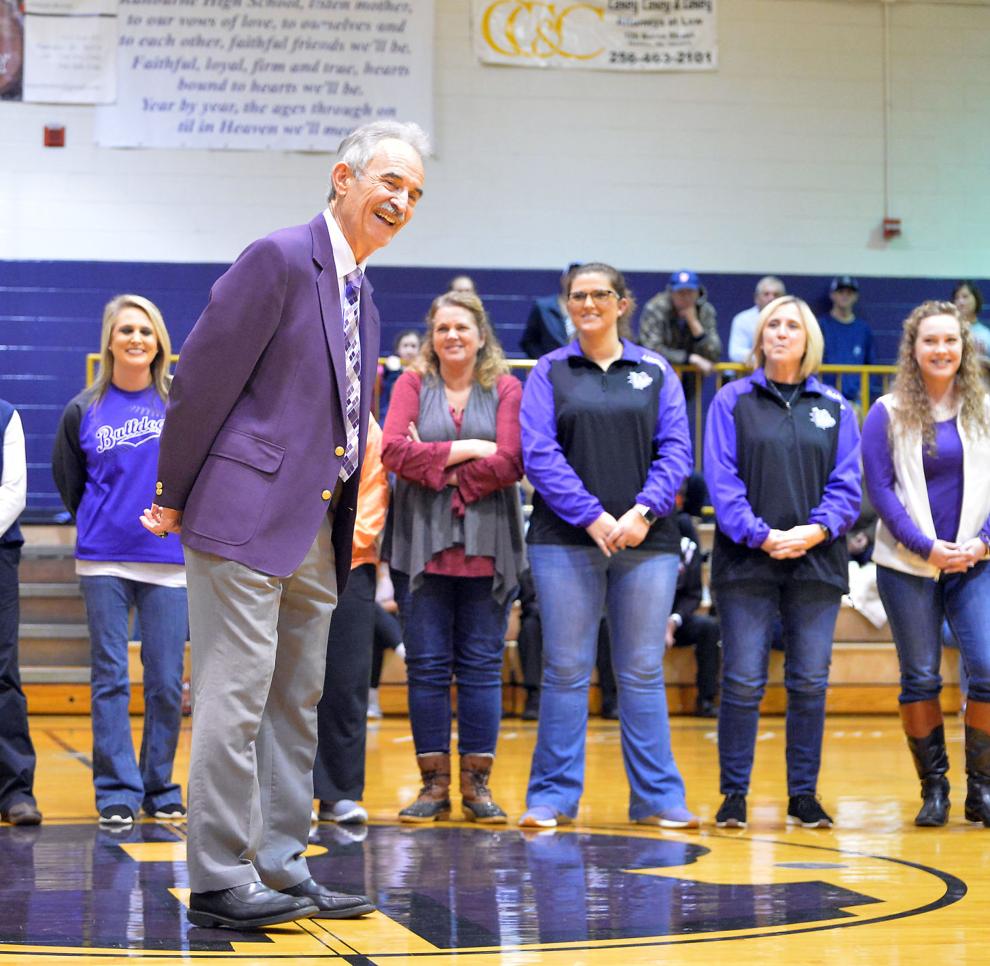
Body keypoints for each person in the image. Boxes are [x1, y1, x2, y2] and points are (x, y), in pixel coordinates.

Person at [140, 120, 429, 930]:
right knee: (234, 699)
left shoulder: (363, 293)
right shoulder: (276, 258)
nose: (402, 201)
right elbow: (199, 376)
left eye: (414, 193)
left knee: (296, 700)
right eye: (390, 183)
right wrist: (173, 488)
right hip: (241, 513)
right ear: (343, 177)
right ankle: (218, 876)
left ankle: (278, 860)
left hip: (316, 524)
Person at [519, 262, 696, 829]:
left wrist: (642, 512)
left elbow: (676, 452)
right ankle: (550, 798)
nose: (588, 303)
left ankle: (660, 799)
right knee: (566, 668)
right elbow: (539, 454)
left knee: (642, 670)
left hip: (648, 541)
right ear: (566, 305)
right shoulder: (549, 371)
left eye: (600, 294)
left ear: (623, 304)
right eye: (578, 295)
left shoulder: (656, 369)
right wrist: (593, 517)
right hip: (563, 541)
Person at [704, 295, 861, 830]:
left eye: (792, 325)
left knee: (810, 682)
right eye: (773, 324)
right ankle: (733, 794)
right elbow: (722, 484)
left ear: (808, 338)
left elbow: (847, 486)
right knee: (744, 680)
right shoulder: (731, 401)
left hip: (816, 564)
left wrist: (815, 530)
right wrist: (762, 534)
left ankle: (803, 795)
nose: (781, 333)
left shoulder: (837, 407)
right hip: (746, 562)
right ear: (760, 336)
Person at [382, 290, 525, 824]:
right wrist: (469, 450)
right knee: (426, 669)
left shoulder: (507, 387)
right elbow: (393, 450)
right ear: (432, 337)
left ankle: (478, 788)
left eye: (462, 327)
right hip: (420, 543)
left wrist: (435, 465)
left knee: (483, 669)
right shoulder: (412, 385)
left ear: (481, 335)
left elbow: (512, 460)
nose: (452, 337)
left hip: (489, 546)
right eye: (442, 329)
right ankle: (434, 787)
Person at [52, 294, 187, 829]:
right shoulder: (82, 408)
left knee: (165, 679)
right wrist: (100, 521)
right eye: (126, 330)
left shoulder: (180, 404)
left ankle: (160, 784)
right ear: (110, 341)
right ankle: (116, 789)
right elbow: (70, 483)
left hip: (168, 561)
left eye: (146, 331)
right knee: (110, 675)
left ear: (159, 343)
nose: (136, 339)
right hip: (103, 561)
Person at [862, 300, 990, 828]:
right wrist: (924, 546)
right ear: (912, 350)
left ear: (964, 349)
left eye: (950, 341)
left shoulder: (985, 408)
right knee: (919, 676)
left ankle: (980, 790)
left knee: (985, 669)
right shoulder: (887, 412)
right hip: (906, 563)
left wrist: (983, 543)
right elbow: (881, 491)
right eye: (930, 341)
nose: (941, 349)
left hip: (976, 562)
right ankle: (933, 788)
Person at [313, 418, 388, 826]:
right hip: (284, 560)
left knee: (345, 682)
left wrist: (338, 548)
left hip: (351, 564)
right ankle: (279, 793)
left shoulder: (367, 426)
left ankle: (338, 792)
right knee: (280, 682)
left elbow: (374, 493)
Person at [0, 396, 40, 826]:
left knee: (3, 672)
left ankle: (15, 790)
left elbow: (13, 492)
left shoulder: (6, 415)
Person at [668, 504, 721, 718]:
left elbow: (694, 595)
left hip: (675, 618)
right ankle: (610, 699)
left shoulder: (685, 540)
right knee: (607, 626)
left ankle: (706, 700)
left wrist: (673, 620)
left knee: (709, 628)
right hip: (637, 618)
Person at [638, 269, 721, 401]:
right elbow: (650, 348)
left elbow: (714, 353)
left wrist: (694, 323)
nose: (686, 297)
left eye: (690, 292)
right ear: (671, 293)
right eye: (680, 292)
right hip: (654, 375)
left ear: (698, 293)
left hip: (689, 381)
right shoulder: (655, 308)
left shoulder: (705, 311)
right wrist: (689, 358)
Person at [818, 275, 877, 404]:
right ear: (832, 295)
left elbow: (871, 364)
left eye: (849, 292)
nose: (845, 296)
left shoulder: (863, 329)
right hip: (825, 397)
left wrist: (863, 394)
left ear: (855, 296)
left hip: (855, 400)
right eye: (840, 292)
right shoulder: (821, 326)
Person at [520, 263, 580, 359]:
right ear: (563, 279)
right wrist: (544, 362)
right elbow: (529, 342)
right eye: (572, 275)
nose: (574, 280)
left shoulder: (591, 309)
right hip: (551, 370)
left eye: (579, 277)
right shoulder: (543, 307)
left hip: (582, 369)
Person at [727, 276, 787, 364]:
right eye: (766, 294)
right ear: (757, 298)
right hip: (749, 374)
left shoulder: (792, 320)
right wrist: (769, 357)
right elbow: (736, 353)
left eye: (776, 294)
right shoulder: (743, 319)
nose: (771, 299)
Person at [378, 328, 421, 424]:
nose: (409, 350)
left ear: (420, 349)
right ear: (398, 349)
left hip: (417, 417)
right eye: (405, 346)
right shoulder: (390, 368)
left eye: (413, 346)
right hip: (391, 416)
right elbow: (391, 394)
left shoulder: (424, 371)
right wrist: (395, 372)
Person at [952, 281, 990, 363]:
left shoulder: (986, 334)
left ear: (976, 299)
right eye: (956, 298)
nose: (961, 302)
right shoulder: (949, 332)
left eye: (965, 297)